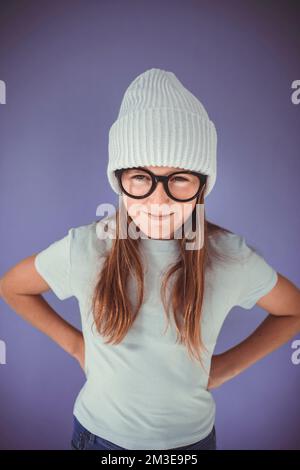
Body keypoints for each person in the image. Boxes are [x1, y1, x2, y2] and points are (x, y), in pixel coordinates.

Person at [1, 68, 299, 451]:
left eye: (179, 178)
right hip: (98, 439)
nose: (158, 201)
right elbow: (12, 287)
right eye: (141, 177)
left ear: (201, 186)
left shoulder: (229, 258)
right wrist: (77, 347)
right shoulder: (88, 248)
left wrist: (226, 368)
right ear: (120, 180)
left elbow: (292, 309)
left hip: (191, 445)